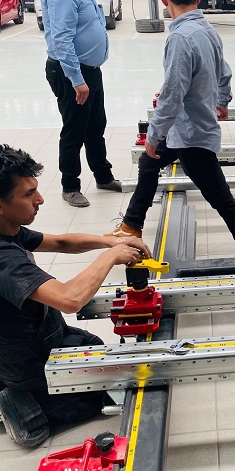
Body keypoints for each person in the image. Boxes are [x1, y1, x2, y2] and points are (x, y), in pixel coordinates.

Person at [0, 145, 151, 448]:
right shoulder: (4, 259)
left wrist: (110, 241)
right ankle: (20, 405)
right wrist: (111, 257)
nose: (40, 199)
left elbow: (60, 242)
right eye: (29, 194)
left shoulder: (9, 229)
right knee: (92, 398)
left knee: (97, 352)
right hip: (24, 358)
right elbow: (70, 299)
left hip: (43, 333)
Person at [108, 0, 235, 259]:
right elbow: (224, 71)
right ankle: (131, 225)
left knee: (219, 196)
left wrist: (154, 133)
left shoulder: (180, 38)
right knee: (149, 164)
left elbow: (172, 94)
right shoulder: (207, 30)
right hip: (183, 128)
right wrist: (223, 100)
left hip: (192, 134)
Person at [41, 0, 121, 208]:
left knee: (96, 126)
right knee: (75, 130)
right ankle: (70, 186)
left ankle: (103, 176)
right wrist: (77, 80)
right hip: (70, 72)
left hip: (89, 71)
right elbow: (61, 39)